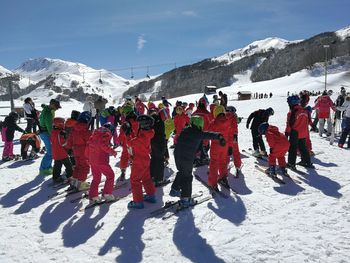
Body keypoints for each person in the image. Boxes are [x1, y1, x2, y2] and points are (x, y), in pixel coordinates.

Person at [169, 116, 225, 208]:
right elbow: (208, 134)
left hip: (177, 155)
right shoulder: (197, 133)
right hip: (186, 158)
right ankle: (186, 199)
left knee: (182, 172)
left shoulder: (185, 130)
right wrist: (219, 136)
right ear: (200, 124)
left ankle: (174, 189)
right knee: (187, 177)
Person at [125, 115, 156, 209]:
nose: (138, 125)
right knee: (146, 178)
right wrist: (131, 131)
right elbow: (136, 138)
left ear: (143, 125)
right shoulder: (147, 132)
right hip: (145, 159)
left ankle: (138, 202)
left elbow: (130, 143)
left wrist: (127, 134)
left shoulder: (142, 137)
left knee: (135, 180)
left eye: (139, 124)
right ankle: (151, 195)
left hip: (139, 160)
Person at [86, 125, 118, 203]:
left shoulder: (94, 136)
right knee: (110, 175)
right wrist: (112, 151)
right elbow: (103, 146)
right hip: (101, 161)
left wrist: (87, 158)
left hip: (93, 161)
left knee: (96, 178)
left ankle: (93, 196)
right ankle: (107, 194)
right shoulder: (105, 135)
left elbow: (87, 147)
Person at [285, 95, 314, 169]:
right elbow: (308, 121)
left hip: (295, 133)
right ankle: (306, 162)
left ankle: (291, 163)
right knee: (303, 147)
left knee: (292, 148)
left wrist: (286, 134)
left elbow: (289, 124)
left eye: (289, 103)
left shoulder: (292, 112)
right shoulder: (305, 111)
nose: (288, 104)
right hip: (304, 133)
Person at [66, 111, 92, 191]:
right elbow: (90, 141)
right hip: (84, 151)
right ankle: (81, 183)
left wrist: (69, 148)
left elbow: (70, 140)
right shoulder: (86, 131)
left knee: (78, 166)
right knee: (85, 167)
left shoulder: (74, 129)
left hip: (75, 151)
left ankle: (74, 181)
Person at [207, 105, 230, 189]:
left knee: (214, 163)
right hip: (225, 145)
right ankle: (223, 178)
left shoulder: (214, 122)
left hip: (216, 146)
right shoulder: (228, 121)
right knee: (223, 161)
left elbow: (208, 132)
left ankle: (212, 183)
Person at [38, 99, 61, 175]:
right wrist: (54, 136)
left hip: (44, 132)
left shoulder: (46, 109)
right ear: (52, 104)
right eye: (56, 107)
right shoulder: (48, 113)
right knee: (50, 152)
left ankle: (48, 167)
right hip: (45, 133)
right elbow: (49, 127)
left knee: (51, 151)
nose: (57, 109)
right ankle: (43, 169)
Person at [50, 117, 73, 183]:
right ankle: (70, 175)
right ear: (60, 124)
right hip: (62, 153)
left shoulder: (53, 132)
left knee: (57, 165)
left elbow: (51, 140)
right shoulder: (60, 133)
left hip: (56, 152)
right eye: (63, 123)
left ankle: (56, 177)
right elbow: (63, 143)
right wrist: (68, 148)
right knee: (68, 165)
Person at [149, 108, 167, 186]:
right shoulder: (160, 121)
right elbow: (162, 134)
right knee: (160, 161)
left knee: (153, 159)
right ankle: (159, 180)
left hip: (152, 142)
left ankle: (152, 177)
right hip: (160, 143)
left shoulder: (151, 121)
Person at [226, 106, 242, 175]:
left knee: (227, 152)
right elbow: (235, 125)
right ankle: (238, 167)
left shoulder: (224, 116)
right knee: (235, 152)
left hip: (226, 137)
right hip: (233, 137)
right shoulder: (233, 116)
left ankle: (226, 165)